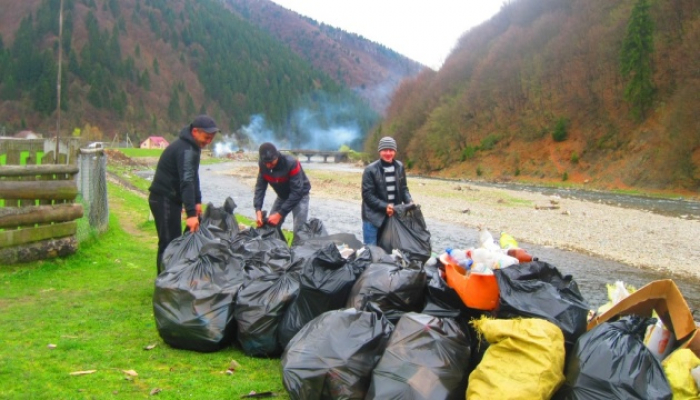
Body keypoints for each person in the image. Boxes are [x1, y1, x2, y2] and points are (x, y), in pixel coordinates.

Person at [148, 114, 219, 274]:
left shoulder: (193, 147)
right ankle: (165, 284)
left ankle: (172, 279)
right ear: (195, 131)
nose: (208, 142)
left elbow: (194, 176)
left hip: (171, 199)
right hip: (163, 199)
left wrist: (197, 201)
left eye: (211, 139)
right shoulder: (185, 150)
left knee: (174, 241)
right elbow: (186, 182)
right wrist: (191, 214)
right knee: (168, 243)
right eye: (206, 137)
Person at [361, 136, 413, 245]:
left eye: (391, 150)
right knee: (371, 252)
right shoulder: (370, 170)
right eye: (385, 150)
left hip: (392, 216)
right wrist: (385, 206)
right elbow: (367, 195)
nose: (388, 153)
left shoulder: (399, 166)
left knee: (389, 252)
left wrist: (409, 201)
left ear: (395, 151)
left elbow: (404, 189)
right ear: (380, 151)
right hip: (373, 217)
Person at [253, 142, 311, 237]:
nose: (268, 165)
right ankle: (279, 250)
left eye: (271, 162)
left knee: (299, 231)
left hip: (300, 196)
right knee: (270, 226)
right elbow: (260, 187)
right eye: (265, 163)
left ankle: (297, 250)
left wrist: (280, 214)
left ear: (277, 157)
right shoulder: (263, 165)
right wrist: (258, 209)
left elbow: (297, 192)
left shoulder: (291, 163)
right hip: (282, 196)